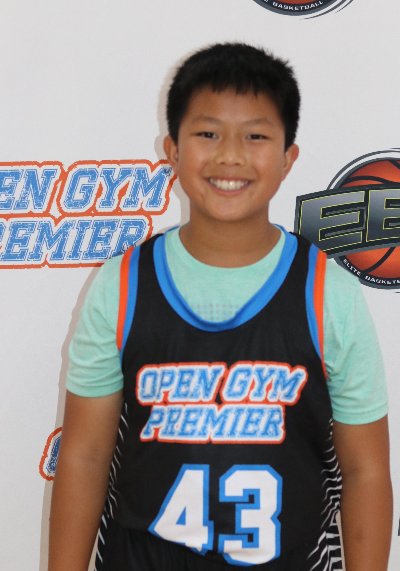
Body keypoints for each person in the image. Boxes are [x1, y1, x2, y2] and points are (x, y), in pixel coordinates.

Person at [49, 43, 392, 571]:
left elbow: (365, 471)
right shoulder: (122, 285)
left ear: (288, 157)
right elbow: (85, 457)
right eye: (208, 134)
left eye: (255, 136)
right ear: (172, 149)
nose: (230, 156)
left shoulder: (328, 293)